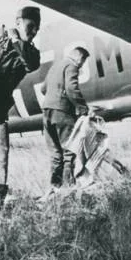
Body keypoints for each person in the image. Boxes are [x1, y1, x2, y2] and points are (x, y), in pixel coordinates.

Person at [0, 6, 41, 209]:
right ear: (18, 22)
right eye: (30, 26)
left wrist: (14, 39)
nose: (34, 31)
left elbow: (29, 63)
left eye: (37, 28)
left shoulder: (32, 53)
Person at [40, 46, 90, 192]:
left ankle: (54, 187)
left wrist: (53, 97)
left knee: (55, 152)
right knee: (69, 150)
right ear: (79, 57)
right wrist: (82, 108)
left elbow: (43, 89)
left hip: (47, 112)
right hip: (62, 113)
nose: (82, 65)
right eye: (83, 61)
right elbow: (71, 88)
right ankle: (68, 187)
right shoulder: (72, 66)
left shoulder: (55, 67)